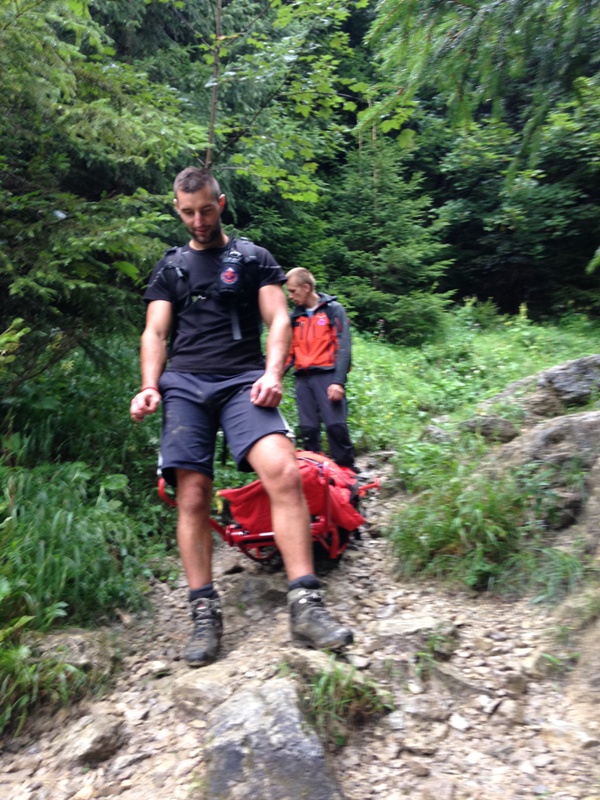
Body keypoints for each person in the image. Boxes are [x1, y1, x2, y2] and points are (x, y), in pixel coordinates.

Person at [129, 167, 353, 667]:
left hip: (243, 380)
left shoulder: (253, 258)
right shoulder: (171, 267)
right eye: (188, 212)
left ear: (222, 203)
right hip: (185, 384)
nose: (198, 220)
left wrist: (273, 373)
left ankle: (305, 603)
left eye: (206, 210)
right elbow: (155, 333)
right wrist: (149, 386)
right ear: (177, 209)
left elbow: (278, 318)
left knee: (284, 471)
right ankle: (204, 612)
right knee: (191, 494)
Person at [285, 267, 357, 471]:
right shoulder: (294, 317)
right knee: (308, 429)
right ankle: (315, 472)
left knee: (336, 426)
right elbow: (288, 352)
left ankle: (347, 471)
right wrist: (272, 377)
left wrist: (338, 382)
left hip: (327, 375)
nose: (290, 296)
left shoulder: (333, 310)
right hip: (303, 378)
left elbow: (343, 346)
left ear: (306, 287)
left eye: (293, 291)